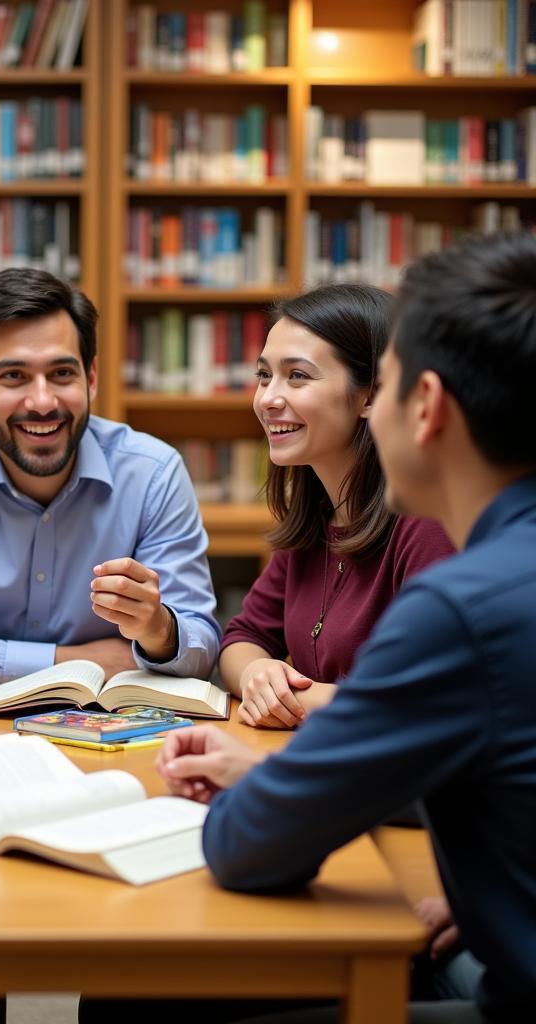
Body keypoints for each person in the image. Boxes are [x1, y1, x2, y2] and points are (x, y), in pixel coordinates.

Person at [156, 231, 536, 1023]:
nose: (268, 397)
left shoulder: (462, 602)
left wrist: (282, 786)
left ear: (419, 406)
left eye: (387, 384)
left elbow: (247, 848)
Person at [0, 267, 221, 691]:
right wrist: (70, 663)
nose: (41, 402)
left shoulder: (152, 473)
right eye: (13, 376)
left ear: (90, 379)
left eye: (62, 374)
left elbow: (200, 645)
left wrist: (159, 629)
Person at [220, 284, 453, 729]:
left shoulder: (427, 523)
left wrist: (294, 700)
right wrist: (257, 674)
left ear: (372, 396)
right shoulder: (316, 518)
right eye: (264, 375)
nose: (267, 398)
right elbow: (243, 636)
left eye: (298, 376)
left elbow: (433, 698)